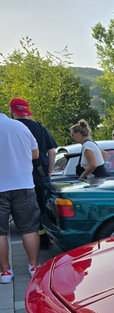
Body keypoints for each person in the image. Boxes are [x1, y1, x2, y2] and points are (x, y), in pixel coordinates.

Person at [9, 98, 57, 248]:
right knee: (43, 208)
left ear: (11, 111)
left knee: (26, 214)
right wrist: (49, 170)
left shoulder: (12, 128)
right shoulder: (40, 128)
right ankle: (45, 241)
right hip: (40, 175)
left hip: (19, 178)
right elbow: (52, 151)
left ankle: (32, 241)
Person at [0, 109, 41, 283]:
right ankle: (33, 267)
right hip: (23, 184)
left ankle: (5, 272)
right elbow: (35, 154)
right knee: (29, 228)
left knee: (0, 232)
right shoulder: (20, 126)